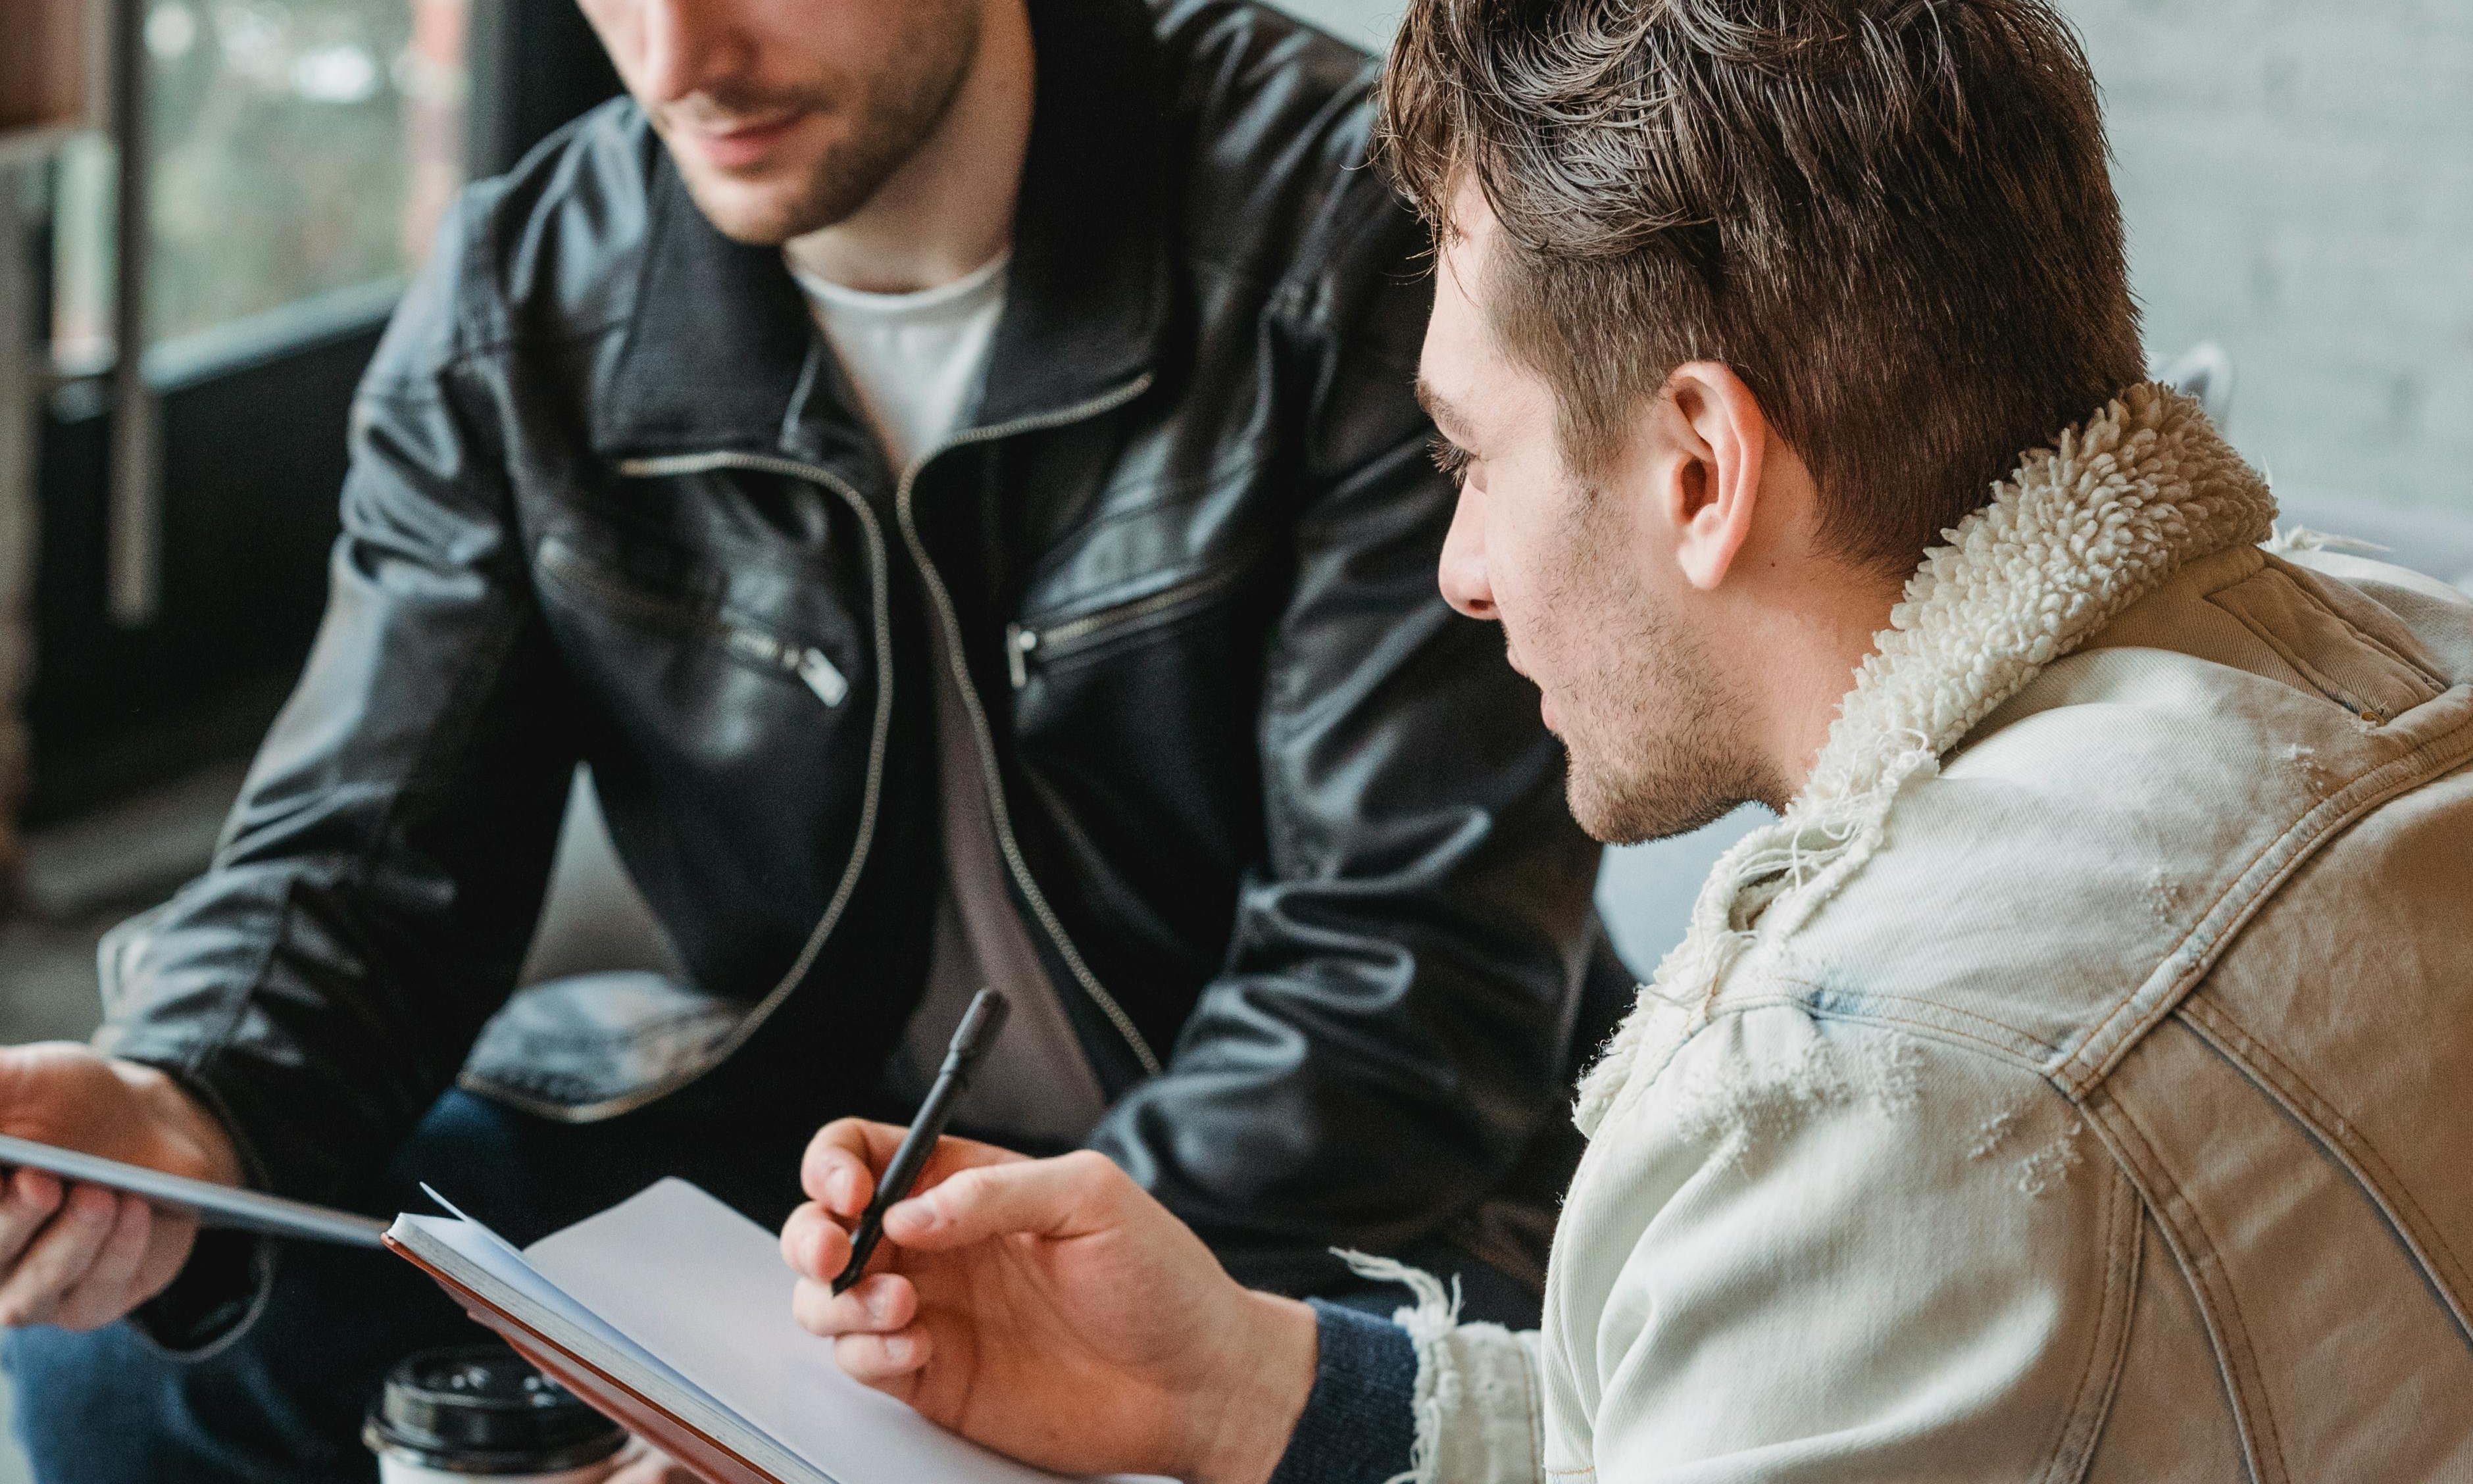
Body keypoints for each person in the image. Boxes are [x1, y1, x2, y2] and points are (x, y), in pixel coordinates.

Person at [778, 0, 2473, 1479]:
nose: (1458, 572)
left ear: (1698, 470)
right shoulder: (2395, 664)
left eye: (1465, 458)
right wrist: (1238, 1384)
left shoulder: (1873, 1096)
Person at [0, 0, 1630, 1477]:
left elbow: (1398, 980)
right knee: (106, 1369)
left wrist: (848, 1383)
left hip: (1310, 1189)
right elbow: (362, 866)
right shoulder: (535, 297)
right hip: (800, 1155)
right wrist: (172, 1099)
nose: (675, 57)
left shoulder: (1357, 222)